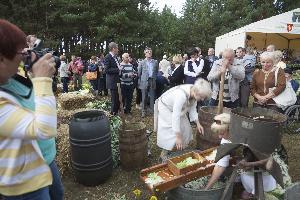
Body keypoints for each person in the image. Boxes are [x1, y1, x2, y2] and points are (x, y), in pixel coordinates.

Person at [0, 19, 63, 199]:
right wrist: (42, 79)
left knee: (58, 194)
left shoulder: (8, 79)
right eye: (20, 52)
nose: (23, 56)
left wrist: (32, 70)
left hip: (39, 163)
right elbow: (44, 129)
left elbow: (31, 100)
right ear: (2, 58)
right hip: (21, 182)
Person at [205, 113, 277, 200]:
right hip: (246, 172)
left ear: (231, 129)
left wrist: (249, 164)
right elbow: (221, 164)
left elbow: (268, 160)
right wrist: (207, 188)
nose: (220, 137)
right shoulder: (226, 139)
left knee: (260, 194)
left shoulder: (251, 137)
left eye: (222, 133)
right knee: (245, 192)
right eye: (218, 134)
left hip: (264, 174)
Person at [155, 78, 211, 161]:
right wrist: (178, 136)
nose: (202, 99)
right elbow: (175, 116)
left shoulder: (194, 93)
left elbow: (192, 110)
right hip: (166, 107)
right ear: (196, 92)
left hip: (178, 110)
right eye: (202, 97)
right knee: (172, 132)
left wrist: (198, 123)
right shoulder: (181, 95)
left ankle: (179, 148)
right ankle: (163, 155)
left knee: (185, 127)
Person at [138, 47, 158, 117]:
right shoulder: (142, 62)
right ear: (145, 54)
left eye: (150, 52)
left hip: (152, 81)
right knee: (144, 97)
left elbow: (156, 71)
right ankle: (143, 111)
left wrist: (154, 78)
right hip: (144, 81)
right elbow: (139, 73)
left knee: (152, 96)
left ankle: (152, 110)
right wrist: (140, 82)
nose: (149, 53)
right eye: (147, 52)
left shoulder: (155, 62)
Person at [104, 42, 120, 115]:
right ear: (113, 49)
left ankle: (116, 112)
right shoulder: (108, 57)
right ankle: (113, 114)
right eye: (117, 48)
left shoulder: (115, 57)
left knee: (117, 98)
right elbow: (106, 70)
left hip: (116, 80)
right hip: (112, 81)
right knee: (114, 99)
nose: (118, 50)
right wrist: (118, 69)